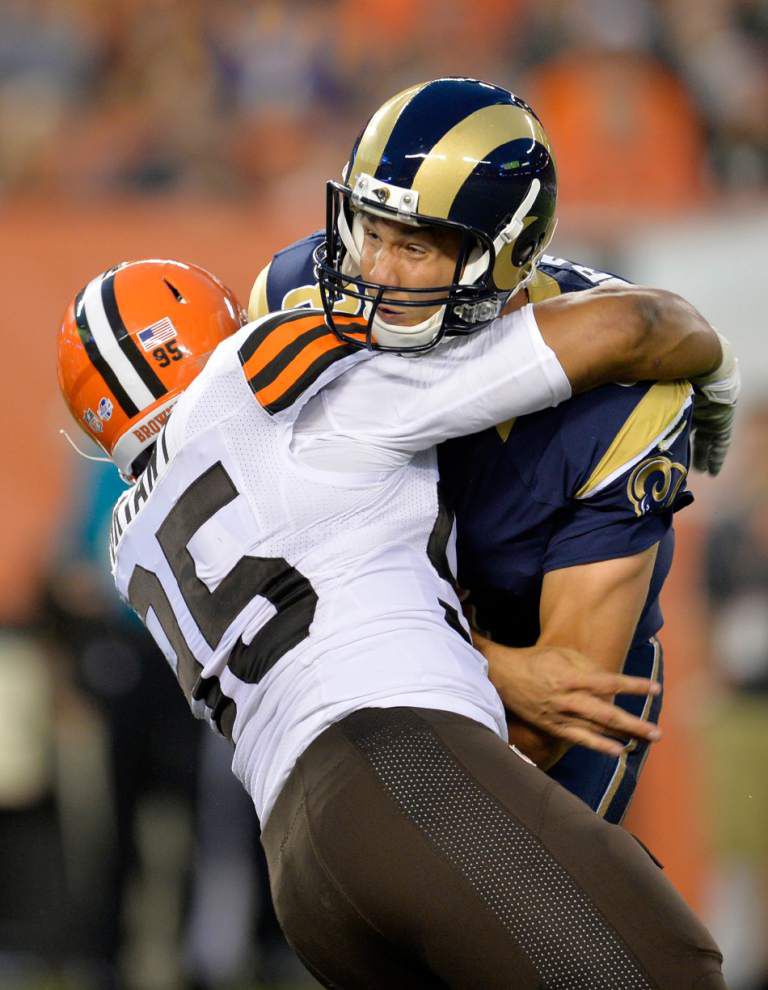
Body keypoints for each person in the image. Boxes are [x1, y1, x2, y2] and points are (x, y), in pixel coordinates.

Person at [57, 247, 727, 988]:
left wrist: (488, 664)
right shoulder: (254, 382)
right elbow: (629, 328)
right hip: (403, 770)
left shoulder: (131, 535)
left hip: (302, 868)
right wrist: (707, 360)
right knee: (670, 967)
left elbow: (311, 603)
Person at [248, 75, 740, 819]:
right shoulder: (295, 297)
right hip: (414, 664)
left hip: (524, 707)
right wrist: (497, 666)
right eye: (368, 229)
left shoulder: (618, 402)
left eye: (413, 245)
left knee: (524, 905)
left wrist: (440, 656)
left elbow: (552, 713)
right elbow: (258, 581)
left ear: (504, 258)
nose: (373, 273)